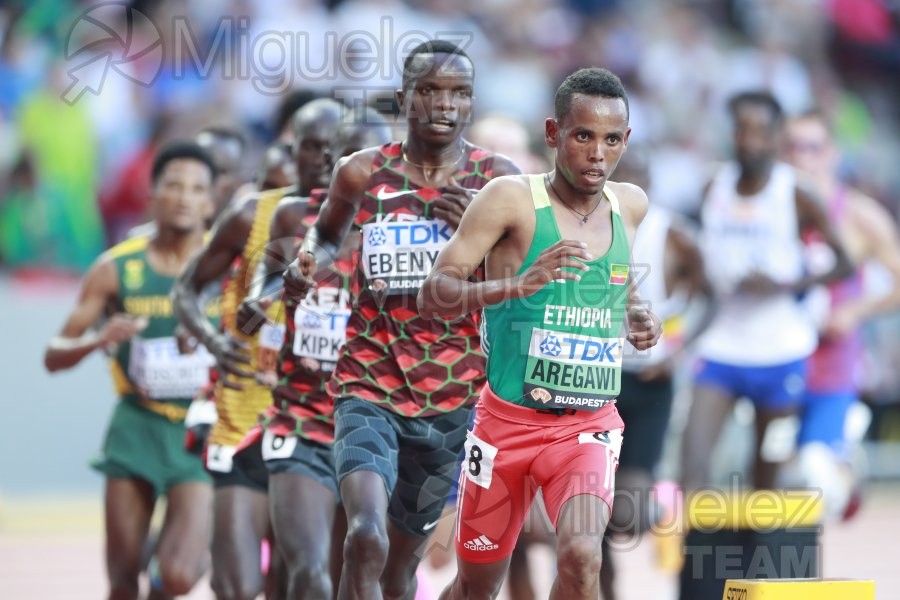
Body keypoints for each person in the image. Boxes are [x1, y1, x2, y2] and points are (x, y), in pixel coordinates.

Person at [283, 40, 520, 599]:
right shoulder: (361, 172)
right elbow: (323, 239)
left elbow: (521, 281)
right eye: (430, 91)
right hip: (370, 382)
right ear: (403, 98)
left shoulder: (499, 181)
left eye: (459, 93)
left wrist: (478, 231)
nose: (444, 105)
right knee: (365, 537)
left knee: (398, 566)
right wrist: (304, 267)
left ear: (470, 103)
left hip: (454, 396)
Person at [418, 66, 662, 600]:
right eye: (583, 136)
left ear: (626, 140)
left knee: (580, 556)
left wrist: (637, 314)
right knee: (477, 585)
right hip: (505, 424)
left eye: (612, 139)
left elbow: (615, 283)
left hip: (586, 426)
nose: (597, 153)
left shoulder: (631, 205)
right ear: (553, 134)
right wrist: (518, 284)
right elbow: (433, 293)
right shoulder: (509, 199)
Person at [172, 98, 344, 600]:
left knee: (304, 578)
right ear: (293, 151)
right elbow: (187, 288)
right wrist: (212, 340)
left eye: (336, 149)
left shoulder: (370, 223)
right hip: (245, 412)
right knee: (238, 585)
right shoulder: (253, 214)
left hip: (321, 420)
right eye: (311, 148)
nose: (324, 160)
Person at [44, 141, 218, 600]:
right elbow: (53, 354)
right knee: (122, 579)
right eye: (173, 185)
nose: (183, 196)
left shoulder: (230, 269)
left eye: (196, 188)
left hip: (201, 433)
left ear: (211, 202)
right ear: (153, 193)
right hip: (136, 426)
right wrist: (96, 340)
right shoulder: (115, 269)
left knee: (178, 574)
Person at [235, 106, 393, 599]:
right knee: (309, 574)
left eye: (379, 160)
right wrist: (278, 295)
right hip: (301, 418)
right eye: (352, 156)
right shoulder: (295, 217)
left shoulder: (407, 230)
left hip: (374, 422)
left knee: (361, 565)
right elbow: (249, 313)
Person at [681, 91, 853, 495]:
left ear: (776, 137)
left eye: (761, 131)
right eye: (742, 130)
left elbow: (844, 263)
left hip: (781, 352)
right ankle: (692, 558)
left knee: (764, 476)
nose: (750, 141)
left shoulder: (796, 192)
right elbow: (695, 258)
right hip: (722, 344)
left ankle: (756, 557)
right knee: (693, 461)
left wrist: (783, 286)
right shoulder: (713, 186)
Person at [598, 147, 714, 600]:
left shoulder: (674, 236)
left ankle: (660, 499)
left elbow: (711, 297)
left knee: (627, 515)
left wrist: (678, 351)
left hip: (649, 384)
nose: (632, 191)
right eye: (624, 179)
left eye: (641, 181)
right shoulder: (585, 227)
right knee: (586, 512)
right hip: (595, 383)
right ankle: (602, 584)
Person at [783, 109, 900, 518]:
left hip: (832, 367)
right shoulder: (770, 210)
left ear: (831, 153)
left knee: (816, 484)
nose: (802, 157)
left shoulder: (858, 215)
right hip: (776, 363)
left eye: (812, 147)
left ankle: (842, 466)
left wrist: (854, 310)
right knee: (766, 480)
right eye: (793, 147)